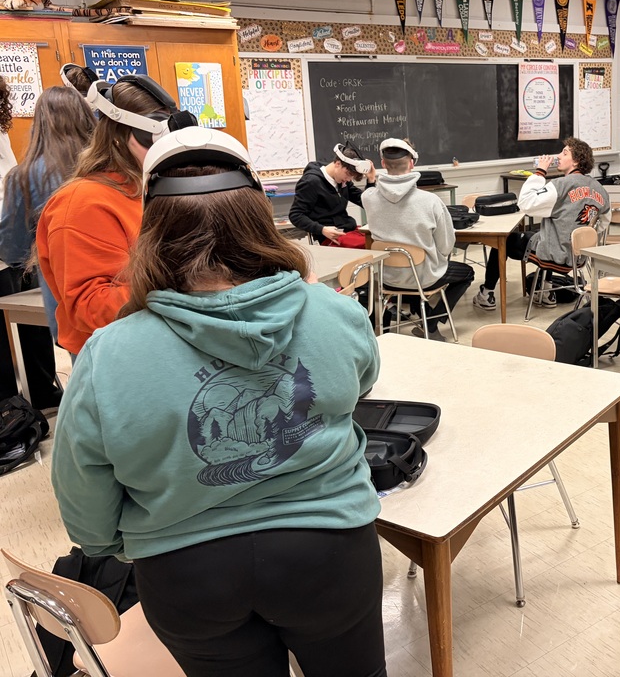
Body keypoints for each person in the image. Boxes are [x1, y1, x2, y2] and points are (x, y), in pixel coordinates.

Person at [50, 127, 387, 677]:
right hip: (331, 552)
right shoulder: (336, 313)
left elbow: (83, 497)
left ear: (151, 226)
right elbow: (361, 383)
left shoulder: (106, 354)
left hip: (186, 573)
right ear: (257, 213)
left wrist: (126, 540)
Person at [35, 74, 195, 356]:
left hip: (165, 343)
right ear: (119, 137)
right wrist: (185, 280)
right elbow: (91, 308)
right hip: (115, 354)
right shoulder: (82, 202)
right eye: (152, 138)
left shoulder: (153, 187)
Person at [0, 87, 95, 409]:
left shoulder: (25, 177)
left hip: (65, 294)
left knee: (88, 377)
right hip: (124, 287)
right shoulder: (110, 165)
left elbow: (12, 249)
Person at [473, 137, 610, 311]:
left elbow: (525, 204)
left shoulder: (560, 186)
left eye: (564, 153)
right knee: (546, 234)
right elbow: (604, 222)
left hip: (553, 254)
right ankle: (546, 292)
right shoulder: (600, 189)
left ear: (576, 161)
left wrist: (540, 172)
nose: (558, 156)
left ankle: (486, 294)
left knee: (503, 241)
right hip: (578, 257)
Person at [362, 138, 473, 341]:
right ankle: (430, 323)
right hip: (423, 277)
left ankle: (421, 317)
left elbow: (370, 189)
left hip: (384, 277)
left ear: (383, 163)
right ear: (412, 164)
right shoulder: (431, 202)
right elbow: (446, 246)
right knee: (467, 273)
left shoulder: (368, 198)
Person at [289, 140, 377, 247]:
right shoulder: (311, 182)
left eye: (352, 177)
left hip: (348, 229)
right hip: (330, 237)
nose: (349, 179)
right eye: (348, 174)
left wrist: (371, 181)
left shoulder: (342, 180)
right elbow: (295, 215)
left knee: (378, 239)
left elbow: (365, 202)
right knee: (372, 245)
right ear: (338, 164)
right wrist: (322, 229)